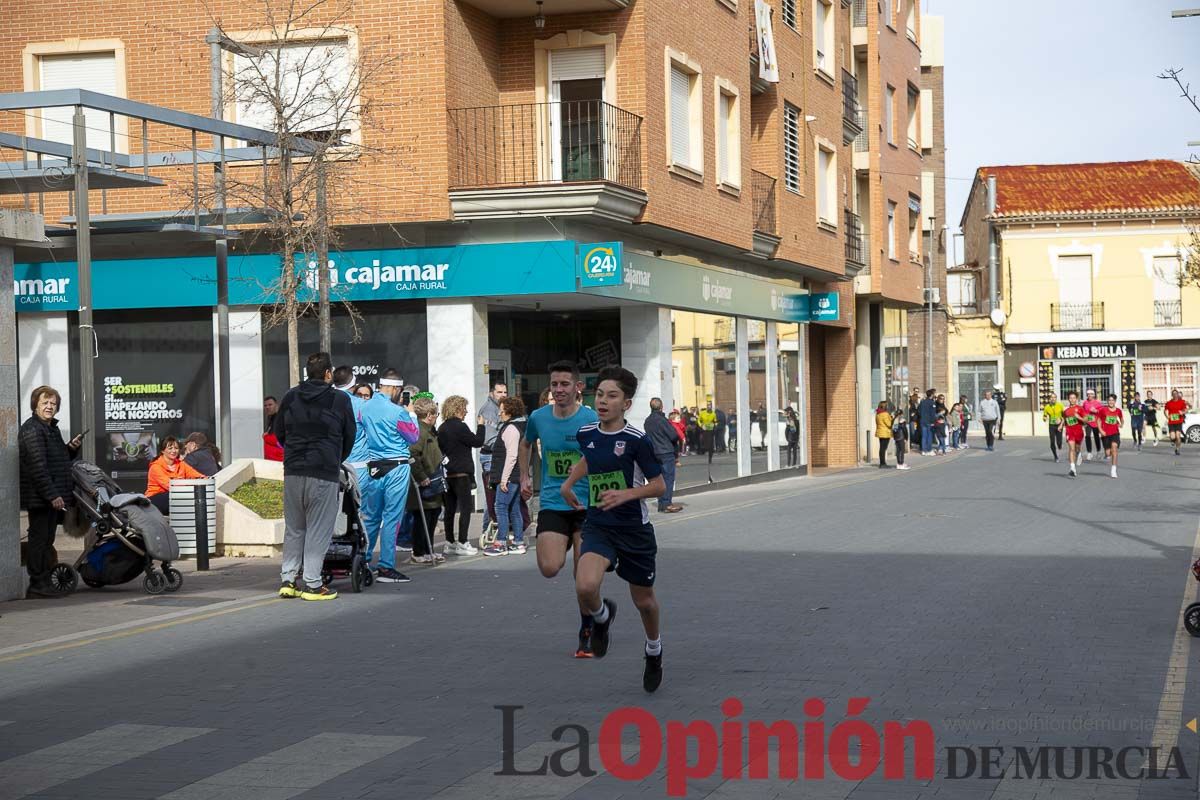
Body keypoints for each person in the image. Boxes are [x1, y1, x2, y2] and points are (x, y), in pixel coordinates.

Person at [559, 365, 667, 693]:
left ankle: (653, 650)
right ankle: (603, 617)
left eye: (612, 395)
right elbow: (591, 459)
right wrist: (569, 483)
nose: (603, 401)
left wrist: (627, 494)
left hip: (634, 530)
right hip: (599, 525)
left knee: (644, 602)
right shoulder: (587, 434)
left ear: (627, 404)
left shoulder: (638, 441)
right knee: (584, 585)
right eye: (600, 394)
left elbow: (659, 486)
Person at [519, 360, 599, 658]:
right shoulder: (539, 417)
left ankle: (588, 629)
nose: (559, 389)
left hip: (586, 503)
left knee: (583, 582)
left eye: (565, 384)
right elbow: (526, 444)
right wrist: (524, 474)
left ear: (578, 387)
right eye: (554, 384)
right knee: (550, 568)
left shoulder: (590, 418)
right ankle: (563, 541)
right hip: (553, 501)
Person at [273, 352, 357, 601]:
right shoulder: (339, 399)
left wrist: (294, 452)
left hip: (294, 470)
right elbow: (349, 435)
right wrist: (335, 458)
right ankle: (312, 584)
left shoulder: (290, 396)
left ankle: (288, 580)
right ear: (328, 373)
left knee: (294, 528)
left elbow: (279, 432)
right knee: (319, 529)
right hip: (323, 470)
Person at [18, 386, 82, 598]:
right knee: (39, 540)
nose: (49, 407)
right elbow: (38, 468)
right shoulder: (32, 430)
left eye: (53, 403)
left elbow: (57, 461)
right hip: (42, 498)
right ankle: (37, 584)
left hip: (52, 496)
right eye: (45, 402)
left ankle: (44, 580)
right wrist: (52, 495)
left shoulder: (50, 429)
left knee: (46, 540)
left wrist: (71, 448)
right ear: (35, 404)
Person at [359, 368, 420, 584]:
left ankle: (364, 560)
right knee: (392, 517)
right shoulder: (399, 412)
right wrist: (411, 413)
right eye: (399, 390)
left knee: (371, 517)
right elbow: (413, 437)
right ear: (395, 388)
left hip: (373, 466)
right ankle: (386, 566)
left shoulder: (363, 408)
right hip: (396, 466)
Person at [437, 395, 485, 556]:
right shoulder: (460, 427)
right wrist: (481, 426)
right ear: (457, 409)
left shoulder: (442, 428)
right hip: (462, 474)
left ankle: (449, 542)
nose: (466, 411)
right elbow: (478, 441)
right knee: (465, 509)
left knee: (450, 510)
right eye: (464, 408)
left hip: (448, 473)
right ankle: (463, 542)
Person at [483, 396, 530, 556]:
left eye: (501, 411)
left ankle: (501, 543)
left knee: (501, 507)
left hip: (509, 476)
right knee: (514, 508)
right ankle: (518, 542)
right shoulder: (515, 427)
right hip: (513, 476)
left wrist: (504, 479)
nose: (499, 414)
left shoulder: (510, 429)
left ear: (509, 411)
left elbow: (511, 455)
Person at [407, 397, 445, 564]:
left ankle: (429, 549)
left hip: (433, 479)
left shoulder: (429, 431)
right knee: (423, 518)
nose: (437, 417)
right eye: (436, 414)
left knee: (433, 514)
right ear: (429, 415)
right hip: (425, 481)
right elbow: (412, 455)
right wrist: (421, 477)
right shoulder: (420, 432)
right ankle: (418, 551)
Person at [146, 436, 206, 517]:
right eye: (170, 448)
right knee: (176, 496)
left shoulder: (181, 464)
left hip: (175, 495)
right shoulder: (156, 467)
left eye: (176, 448)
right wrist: (191, 486)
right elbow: (170, 486)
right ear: (163, 451)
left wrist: (205, 479)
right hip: (155, 499)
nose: (174, 451)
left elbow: (196, 475)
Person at [644, 397, 683, 514]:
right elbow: (673, 435)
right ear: (661, 407)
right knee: (668, 478)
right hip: (666, 452)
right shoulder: (662, 420)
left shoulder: (647, 421)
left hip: (654, 453)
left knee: (659, 479)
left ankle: (661, 503)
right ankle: (667, 503)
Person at [478, 381, 508, 535]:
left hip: (494, 456)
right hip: (490, 456)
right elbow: (489, 439)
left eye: (504, 392)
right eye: (499, 392)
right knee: (492, 495)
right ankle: (487, 529)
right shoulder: (489, 410)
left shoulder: (498, 408)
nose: (502, 395)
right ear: (492, 393)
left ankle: (489, 529)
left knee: (491, 495)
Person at [1061, 391, 1086, 477]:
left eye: (1074, 398)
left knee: (1077, 448)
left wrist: (1079, 417)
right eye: (1070, 398)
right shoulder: (1066, 411)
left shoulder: (1080, 409)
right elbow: (1064, 419)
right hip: (1069, 431)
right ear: (1068, 399)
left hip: (1078, 431)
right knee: (1071, 448)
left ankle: (1079, 454)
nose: (1072, 399)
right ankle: (1072, 468)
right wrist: (1061, 425)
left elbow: (1086, 420)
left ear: (1076, 399)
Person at [1099, 393, 1124, 478]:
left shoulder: (1118, 410)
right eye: (1109, 400)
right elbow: (1098, 420)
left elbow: (1121, 419)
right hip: (1105, 434)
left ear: (1115, 401)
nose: (1111, 402)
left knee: (1114, 449)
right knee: (1108, 452)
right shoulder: (1103, 410)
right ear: (1107, 401)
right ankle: (1106, 455)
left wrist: (1121, 424)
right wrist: (1101, 430)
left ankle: (1113, 469)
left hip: (1115, 433)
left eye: (1112, 400)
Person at [1165, 389, 1191, 456]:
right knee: (1173, 437)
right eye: (1173, 394)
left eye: (1176, 394)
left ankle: (1177, 449)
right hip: (1171, 422)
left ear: (1177, 394)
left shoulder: (1182, 402)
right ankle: (1174, 441)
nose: (1175, 395)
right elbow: (1165, 410)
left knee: (1178, 436)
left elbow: (1186, 409)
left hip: (1179, 421)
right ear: (1172, 395)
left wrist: (1182, 412)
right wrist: (1167, 416)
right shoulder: (1169, 403)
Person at [1081, 389, 1104, 461]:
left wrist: (1096, 411)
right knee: (1087, 436)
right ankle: (1089, 453)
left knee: (1096, 437)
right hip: (1088, 422)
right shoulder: (1085, 403)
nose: (1089, 395)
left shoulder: (1098, 403)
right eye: (1088, 394)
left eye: (1091, 394)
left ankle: (1098, 451)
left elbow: (1102, 412)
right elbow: (1083, 411)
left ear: (1094, 395)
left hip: (1096, 422)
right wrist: (1084, 420)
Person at [1042, 393, 1064, 462]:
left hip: (1059, 425)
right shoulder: (1047, 407)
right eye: (1051, 397)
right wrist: (1044, 418)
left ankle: (1060, 445)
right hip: (1051, 425)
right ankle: (1056, 456)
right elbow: (1044, 415)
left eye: (1054, 397)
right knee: (1052, 442)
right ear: (1050, 399)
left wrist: (1061, 421)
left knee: (1059, 442)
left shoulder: (1060, 405)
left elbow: (1064, 416)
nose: (1053, 398)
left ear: (1056, 398)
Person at [262, 395, 284, 461]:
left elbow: (281, 441)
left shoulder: (281, 418)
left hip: (279, 460)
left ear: (276, 405)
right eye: (265, 405)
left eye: (270, 405)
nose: (267, 407)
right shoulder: (271, 417)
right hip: (271, 460)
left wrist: (266, 437)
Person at [918, 389, 938, 455]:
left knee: (924, 436)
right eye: (934, 394)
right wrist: (933, 421)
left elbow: (919, 411)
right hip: (929, 421)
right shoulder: (932, 403)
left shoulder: (922, 402)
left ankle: (923, 450)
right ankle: (929, 450)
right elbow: (933, 413)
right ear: (932, 395)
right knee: (929, 436)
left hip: (922, 420)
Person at [875, 401, 892, 468]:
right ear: (885, 407)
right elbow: (889, 424)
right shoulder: (885, 414)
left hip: (880, 432)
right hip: (885, 433)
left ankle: (882, 463)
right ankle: (883, 463)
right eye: (887, 406)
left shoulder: (878, 414)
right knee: (883, 448)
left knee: (881, 448)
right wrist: (891, 418)